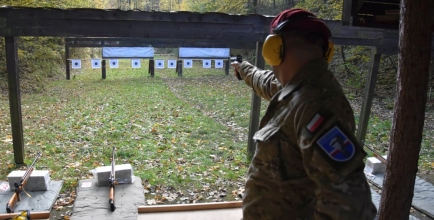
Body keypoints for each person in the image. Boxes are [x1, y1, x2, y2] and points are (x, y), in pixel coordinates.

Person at [231, 8, 378, 220]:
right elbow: (264, 81)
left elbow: (350, 204)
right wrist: (243, 68)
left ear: (274, 48)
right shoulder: (298, 89)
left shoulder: (316, 105)